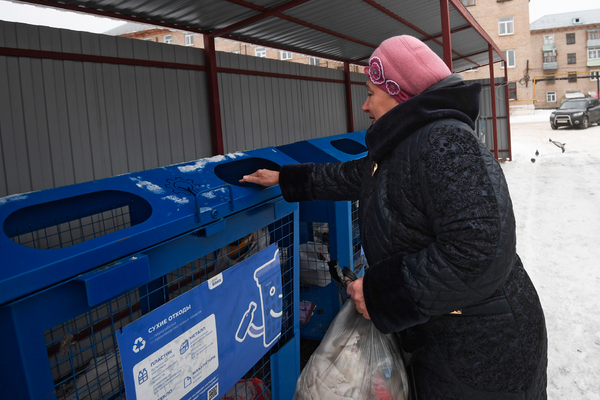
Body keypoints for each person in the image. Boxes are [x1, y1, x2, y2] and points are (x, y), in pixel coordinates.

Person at [241, 35, 547, 399]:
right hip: (451, 339)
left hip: (484, 352)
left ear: (399, 93)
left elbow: (479, 249)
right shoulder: (408, 142)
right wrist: (286, 178)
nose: (365, 104)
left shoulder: (446, 143)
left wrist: (382, 294)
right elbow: (358, 176)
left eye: (371, 92)